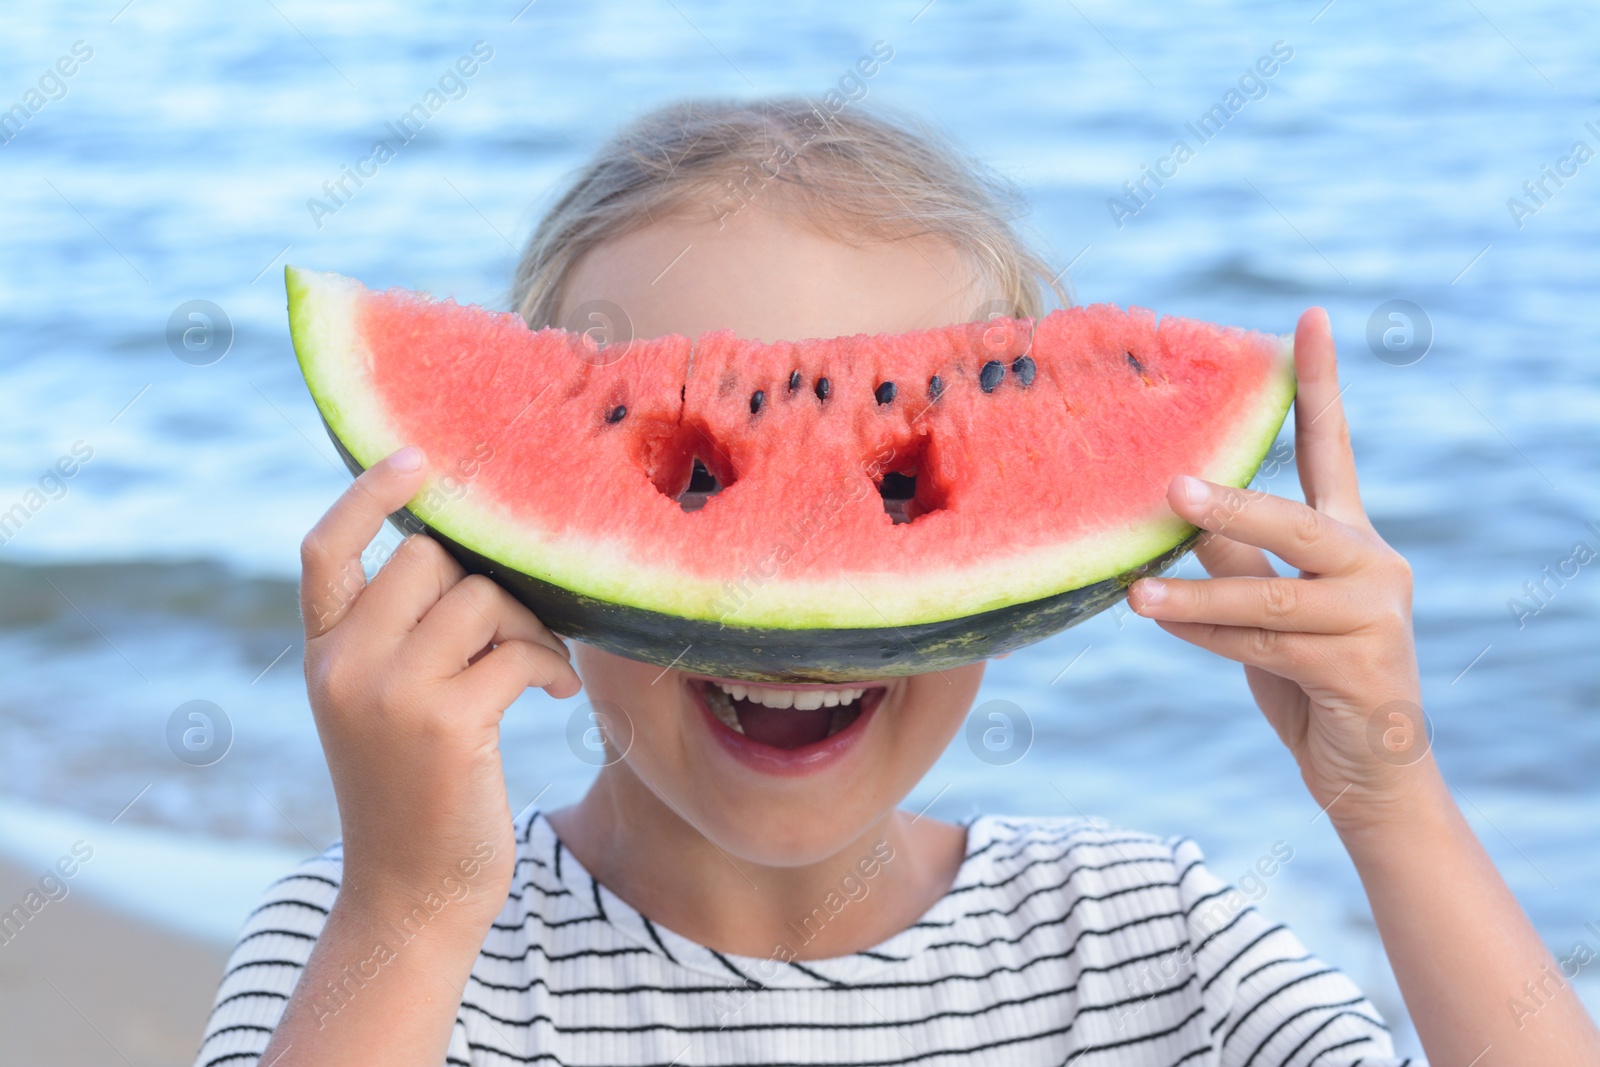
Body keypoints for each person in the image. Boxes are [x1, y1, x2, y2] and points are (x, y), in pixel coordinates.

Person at [193, 99, 1599, 1066]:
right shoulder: (375, 934)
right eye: (693, 477)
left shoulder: (1143, 934)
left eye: (897, 485)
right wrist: (411, 902)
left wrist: (1389, 804)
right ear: (504, 553)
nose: (797, 605)